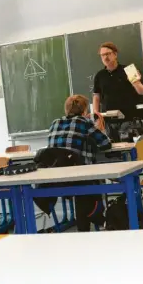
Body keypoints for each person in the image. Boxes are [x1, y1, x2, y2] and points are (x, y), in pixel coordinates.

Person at [47, 95, 112, 231]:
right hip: (80, 176)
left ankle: (87, 226)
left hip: (56, 178)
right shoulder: (83, 122)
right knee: (94, 179)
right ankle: (100, 219)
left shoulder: (55, 123)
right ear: (84, 110)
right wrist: (99, 129)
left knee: (82, 186)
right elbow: (106, 144)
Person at [93, 42, 143, 139]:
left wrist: (136, 82)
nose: (105, 57)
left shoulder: (129, 70)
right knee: (113, 151)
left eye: (108, 54)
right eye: (102, 55)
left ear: (115, 54)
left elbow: (142, 92)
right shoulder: (100, 75)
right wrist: (96, 115)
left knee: (130, 149)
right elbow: (96, 96)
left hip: (129, 119)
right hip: (108, 121)